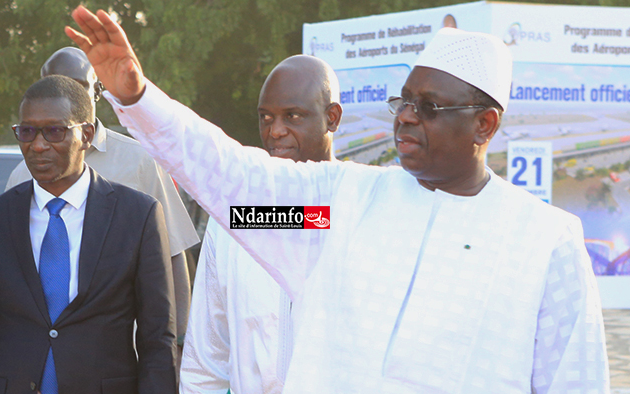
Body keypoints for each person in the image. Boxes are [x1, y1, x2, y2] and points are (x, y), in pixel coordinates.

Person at [66, 7, 610, 393]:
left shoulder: (544, 240)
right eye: (404, 100)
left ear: (484, 124)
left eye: (430, 106)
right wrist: (137, 96)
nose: (405, 116)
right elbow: (231, 178)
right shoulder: (343, 200)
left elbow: (575, 382)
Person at [0, 75, 177, 394]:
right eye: (27, 131)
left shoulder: (137, 215)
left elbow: (158, 339)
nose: (38, 144)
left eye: (54, 131)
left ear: (86, 135)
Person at [5, 47, 199, 353]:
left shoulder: (140, 161)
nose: (65, 96)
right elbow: (7, 278)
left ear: (97, 91)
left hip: (122, 354)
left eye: (77, 86)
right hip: (41, 355)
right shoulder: (21, 175)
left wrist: (180, 345)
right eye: (56, 85)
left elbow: (173, 255)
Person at [180, 55, 342, 394]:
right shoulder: (234, 219)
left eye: (292, 116)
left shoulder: (359, 210)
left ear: (332, 118)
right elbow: (206, 357)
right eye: (266, 117)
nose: (275, 131)